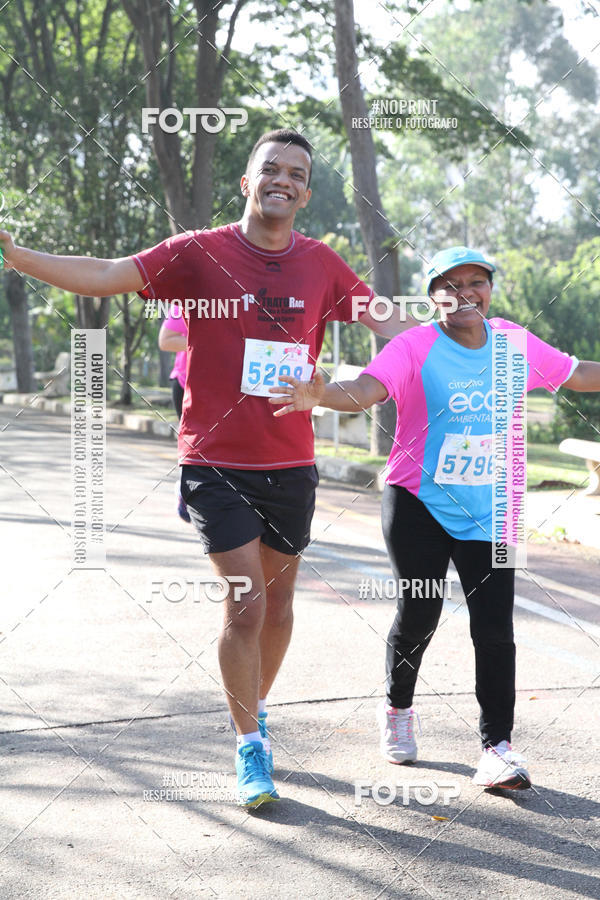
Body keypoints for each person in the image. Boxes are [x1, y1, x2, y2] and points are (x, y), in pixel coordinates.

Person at [0, 128, 413, 807]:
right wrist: (18, 256)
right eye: (270, 169)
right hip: (214, 460)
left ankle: (253, 710)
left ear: (305, 193)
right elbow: (107, 274)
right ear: (247, 182)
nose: (283, 179)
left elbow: (391, 325)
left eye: (297, 174)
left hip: (292, 461)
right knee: (246, 600)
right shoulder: (198, 252)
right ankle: (250, 745)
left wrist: (460, 330)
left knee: (279, 605)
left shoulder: (321, 264)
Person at [270, 244, 600, 791]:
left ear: (490, 289)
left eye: (477, 281)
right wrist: (320, 394)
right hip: (418, 503)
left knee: (495, 629)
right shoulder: (414, 346)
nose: (466, 292)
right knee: (419, 612)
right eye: (451, 284)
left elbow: (576, 372)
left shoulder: (515, 344)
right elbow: (367, 389)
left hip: (497, 509)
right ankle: (398, 709)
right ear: (432, 297)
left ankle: (497, 748)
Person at [158, 302, 190, 522]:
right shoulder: (188, 300)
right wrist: (211, 340)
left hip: (229, 385)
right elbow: (166, 340)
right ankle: (185, 491)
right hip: (187, 382)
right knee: (193, 443)